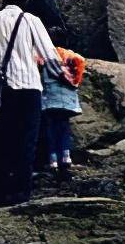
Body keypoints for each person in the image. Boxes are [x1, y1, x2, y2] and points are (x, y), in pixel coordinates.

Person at [0, 0, 71, 206]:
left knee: (4, 139)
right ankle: (21, 193)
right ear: (26, 0)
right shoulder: (31, 20)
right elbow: (48, 54)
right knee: (27, 140)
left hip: (3, 91)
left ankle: (1, 192)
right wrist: (62, 76)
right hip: (29, 87)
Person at [39, 27, 86, 179]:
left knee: (51, 128)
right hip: (67, 98)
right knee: (64, 126)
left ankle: (53, 160)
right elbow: (77, 74)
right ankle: (66, 156)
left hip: (51, 97)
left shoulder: (46, 56)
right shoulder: (73, 56)